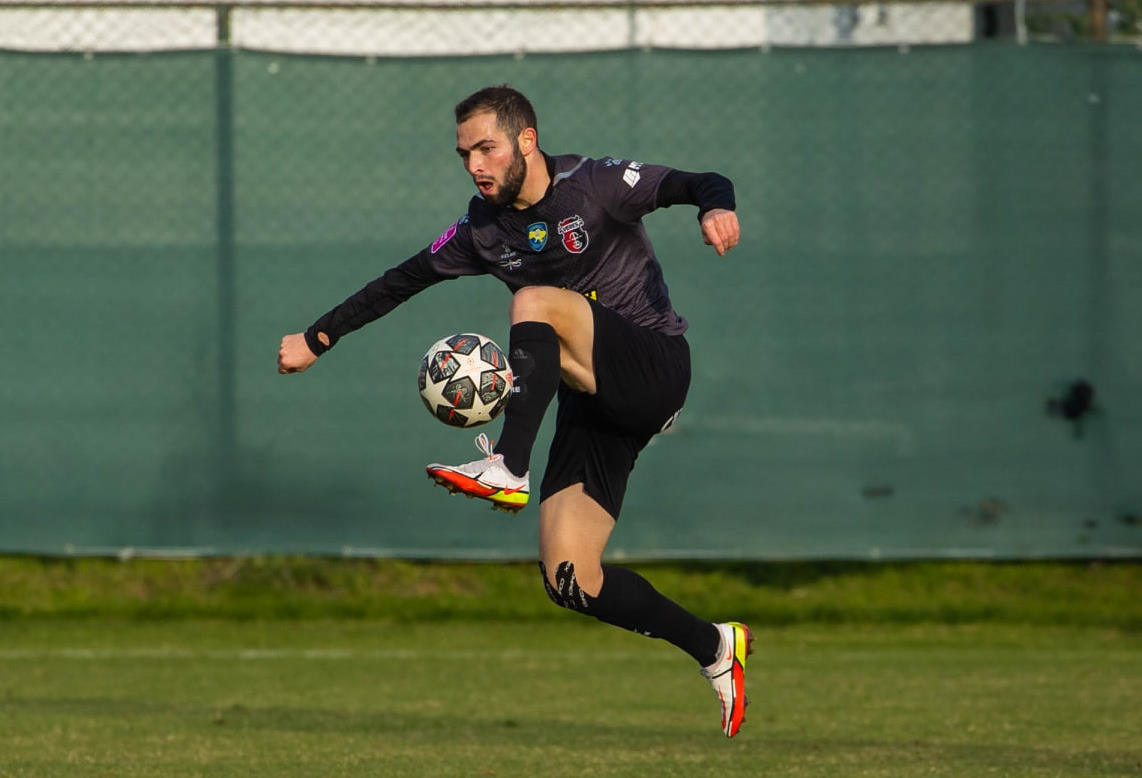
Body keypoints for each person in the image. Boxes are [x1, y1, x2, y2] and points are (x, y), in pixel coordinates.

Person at [277, 84, 752, 737]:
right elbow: (400, 281)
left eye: (487, 147)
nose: (475, 163)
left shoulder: (597, 184)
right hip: (594, 401)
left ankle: (510, 464)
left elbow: (704, 179)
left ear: (526, 140)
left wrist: (715, 210)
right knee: (570, 579)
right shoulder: (483, 228)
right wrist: (316, 337)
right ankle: (716, 647)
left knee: (534, 302)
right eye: (464, 152)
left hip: (656, 367)